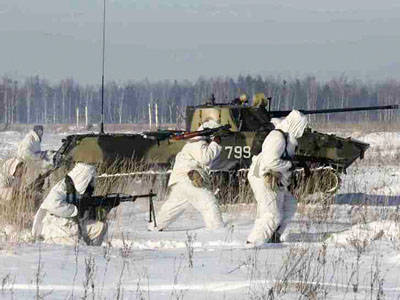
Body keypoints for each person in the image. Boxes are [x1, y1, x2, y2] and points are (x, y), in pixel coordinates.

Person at [246, 110, 308, 246]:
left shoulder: (286, 137)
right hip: (264, 176)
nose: (302, 130)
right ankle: (254, 243)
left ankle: (274, 235)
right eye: (301, 126)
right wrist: (290, 165)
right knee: (272, 215)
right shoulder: (278, 138)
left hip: (274, 178)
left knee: (289, 205)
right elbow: (270, 161)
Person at [152, 120, 224, 231]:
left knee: (172, 208)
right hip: (188, 179)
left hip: (182, 181)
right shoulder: (197, 142)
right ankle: (218, 230)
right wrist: (216, 143)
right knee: (209, 203)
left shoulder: (196, 142)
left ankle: (155, 227)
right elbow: (205, 158)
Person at [32, 162, 107, 246]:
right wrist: (75, 210)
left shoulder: (78, 189)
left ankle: (92, 251)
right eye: (88, 181)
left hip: (73, 226)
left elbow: (83, 204)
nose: (89, 184)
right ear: (82, 178)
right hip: (56, 228)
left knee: (101, 226)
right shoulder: (62, 187)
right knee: (74, 245)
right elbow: (52, 205)